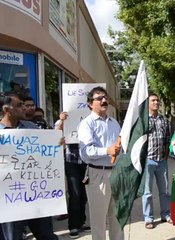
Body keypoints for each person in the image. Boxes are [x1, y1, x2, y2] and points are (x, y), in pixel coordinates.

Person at [0, 93, 58, 240]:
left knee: (47, 235)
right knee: (12, 236)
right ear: (7, 109)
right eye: (19, 105)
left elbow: (43, 153)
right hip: (10, 199)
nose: (24, 108)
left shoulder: (31, 128)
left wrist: (56, 145)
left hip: (35, 194)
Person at [77, 87, 123, 240]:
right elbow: (86, 152)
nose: (104, 100)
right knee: (99, 220)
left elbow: (120, 147)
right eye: (99, 98)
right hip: (98, 174)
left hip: (116, 172)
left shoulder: (114, 123)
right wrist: (107, 151)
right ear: (90, 104)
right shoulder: (87, 124)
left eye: (105, 97)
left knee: (117, 216)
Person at [56, 111, 90, 239]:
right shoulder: (65, 118)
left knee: (83, 194)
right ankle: (73, 225)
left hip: (86, 161)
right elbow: (56, 134)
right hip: (71, 161)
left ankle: (81, 222)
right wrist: (62, 121)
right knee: (74, 194)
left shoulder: (88, 118)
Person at [142, 93, 171, 229]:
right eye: (153, 100)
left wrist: (165, 154)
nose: (156, 102)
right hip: (148, 160)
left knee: (164, 190)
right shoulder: (142, 120)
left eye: (157, 100)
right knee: (147, 192)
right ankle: (148, 218)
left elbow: (167, 138)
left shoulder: (163, 120)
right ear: (148, 103)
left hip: (161, 161)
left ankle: (166, 214)